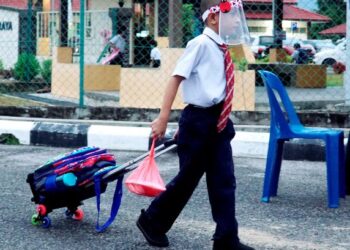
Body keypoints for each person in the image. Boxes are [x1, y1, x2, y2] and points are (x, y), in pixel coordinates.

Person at [135, 0, 254, 249]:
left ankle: (226, 239)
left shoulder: (220, 47)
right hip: (198, 121)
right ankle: (152, 221)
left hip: (217, 121)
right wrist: (163, 117)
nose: (235, 21)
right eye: (231, 16)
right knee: (187, 179)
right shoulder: (200, 44)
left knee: (224, 180)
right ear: (213, 18)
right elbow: (175, 78)